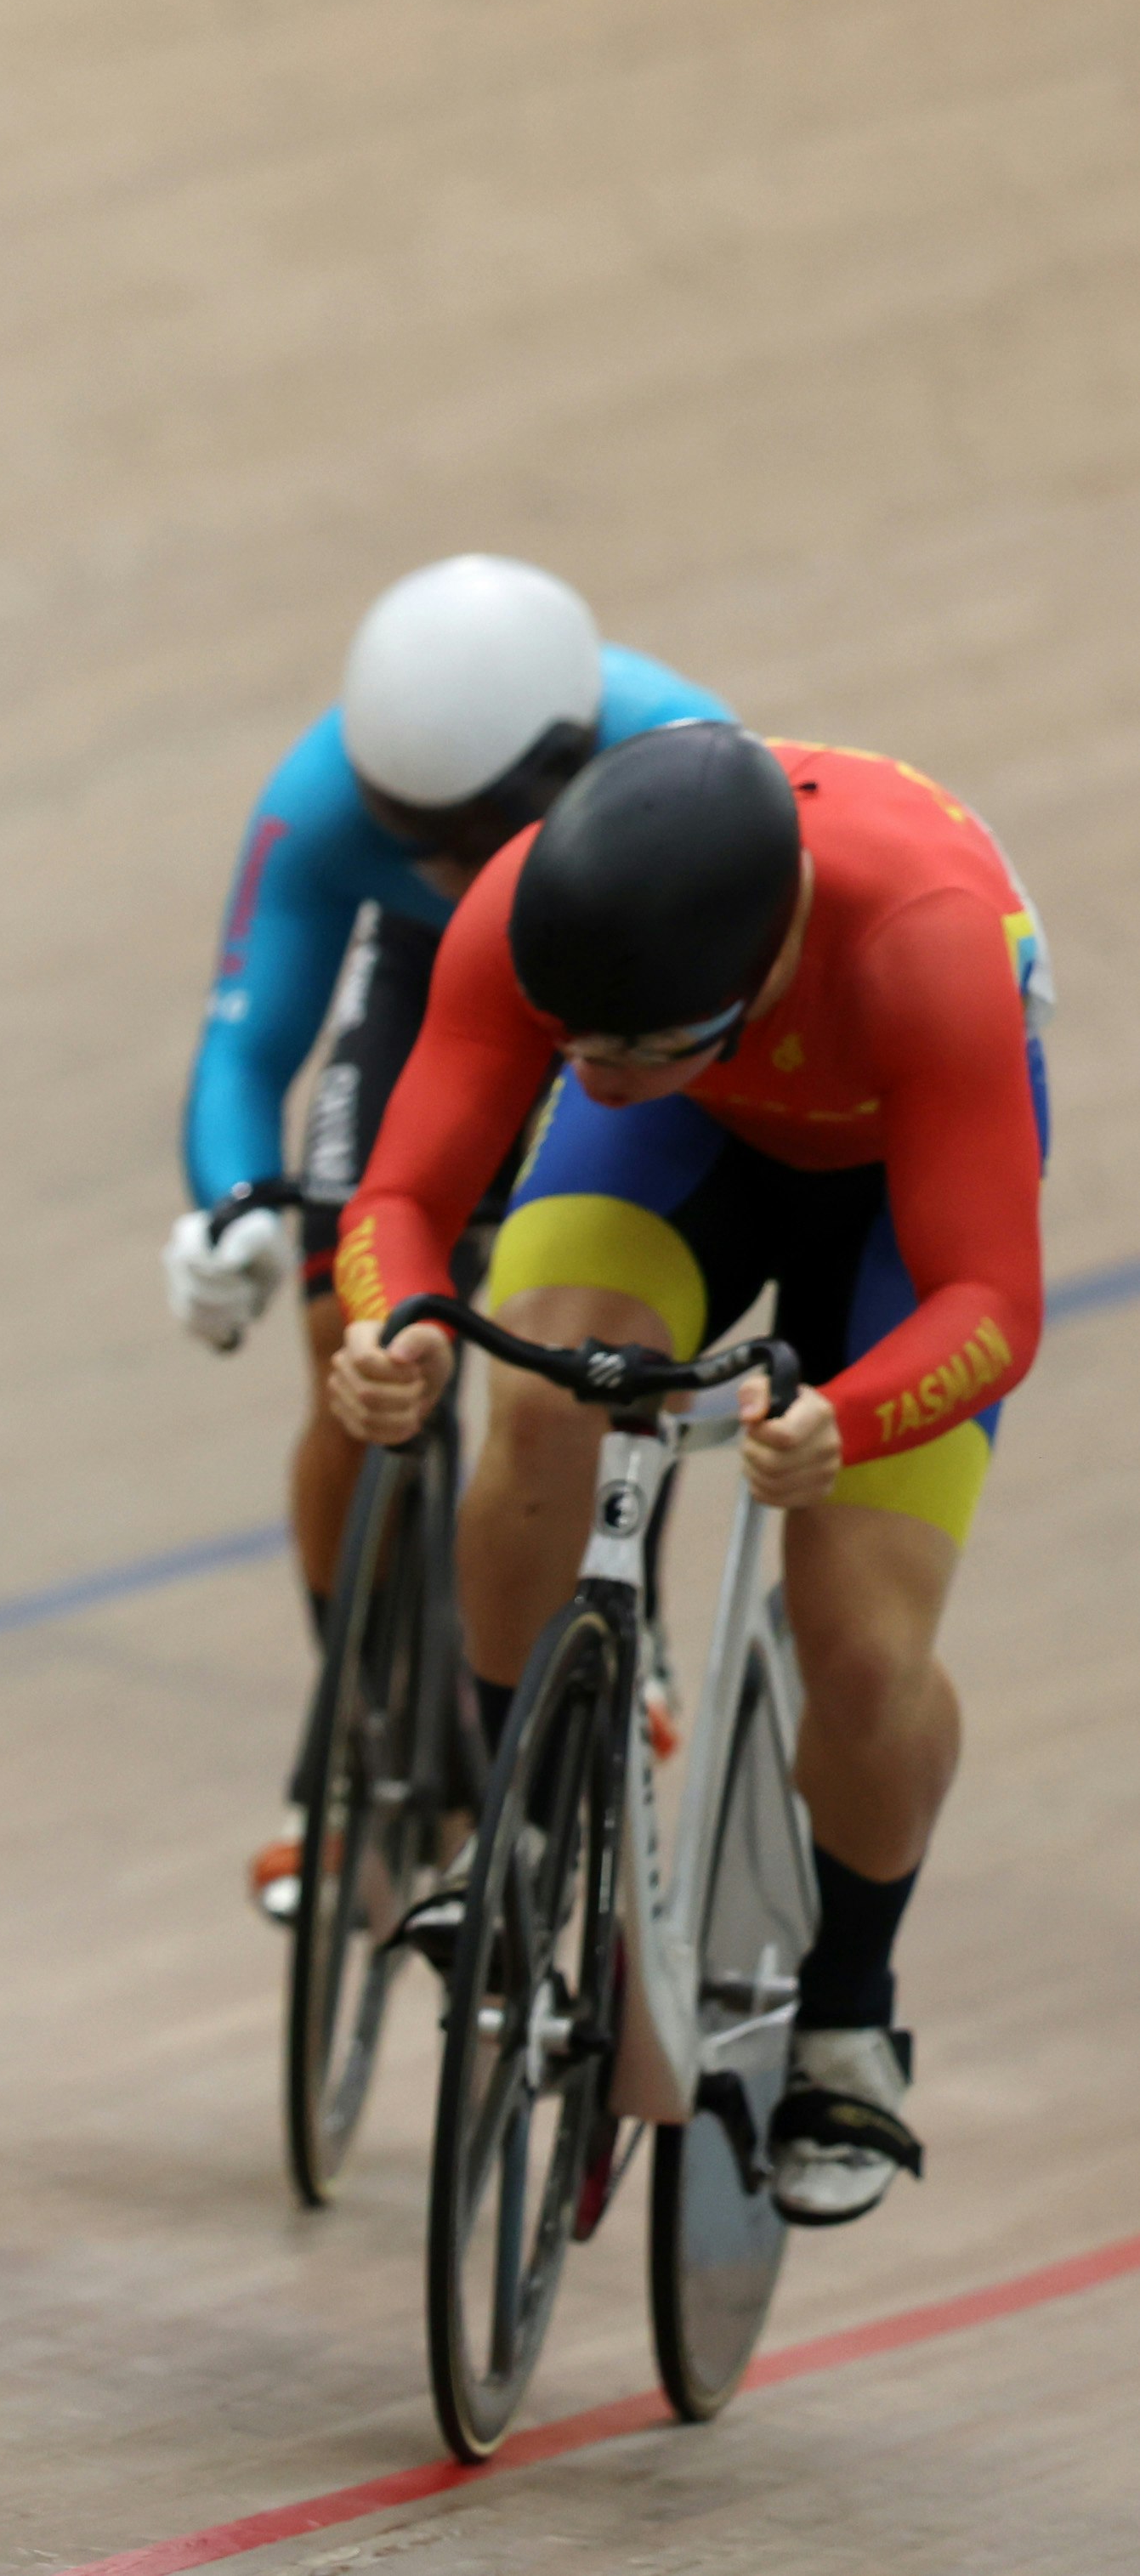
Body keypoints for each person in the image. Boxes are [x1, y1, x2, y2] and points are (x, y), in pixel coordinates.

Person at [329, 723, 1046, 2226]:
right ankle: (510, 1837)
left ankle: (848, 2009)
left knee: (858, 1638)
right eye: (568, 1044)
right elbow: (399, 1193)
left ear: (761, 964)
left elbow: (990, 1303)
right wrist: (389, 1326)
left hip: (891, 1215)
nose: (586, 1072)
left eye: (630, 1046)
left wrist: (847, 1415)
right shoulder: (543, 920)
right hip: (693, 1149)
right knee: (534, 1407)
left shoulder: (921, 940)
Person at [163, 558, 728, 1918]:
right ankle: (359, 1742)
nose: (434, 862)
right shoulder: (316, 804)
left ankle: (619, 1602)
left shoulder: (683, 767)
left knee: (587, 1327)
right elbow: (245, 1050)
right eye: (404, 834)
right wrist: (232, 1203)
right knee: (343, 1335)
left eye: (464, 835)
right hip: (431, 985)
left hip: (610, 975)